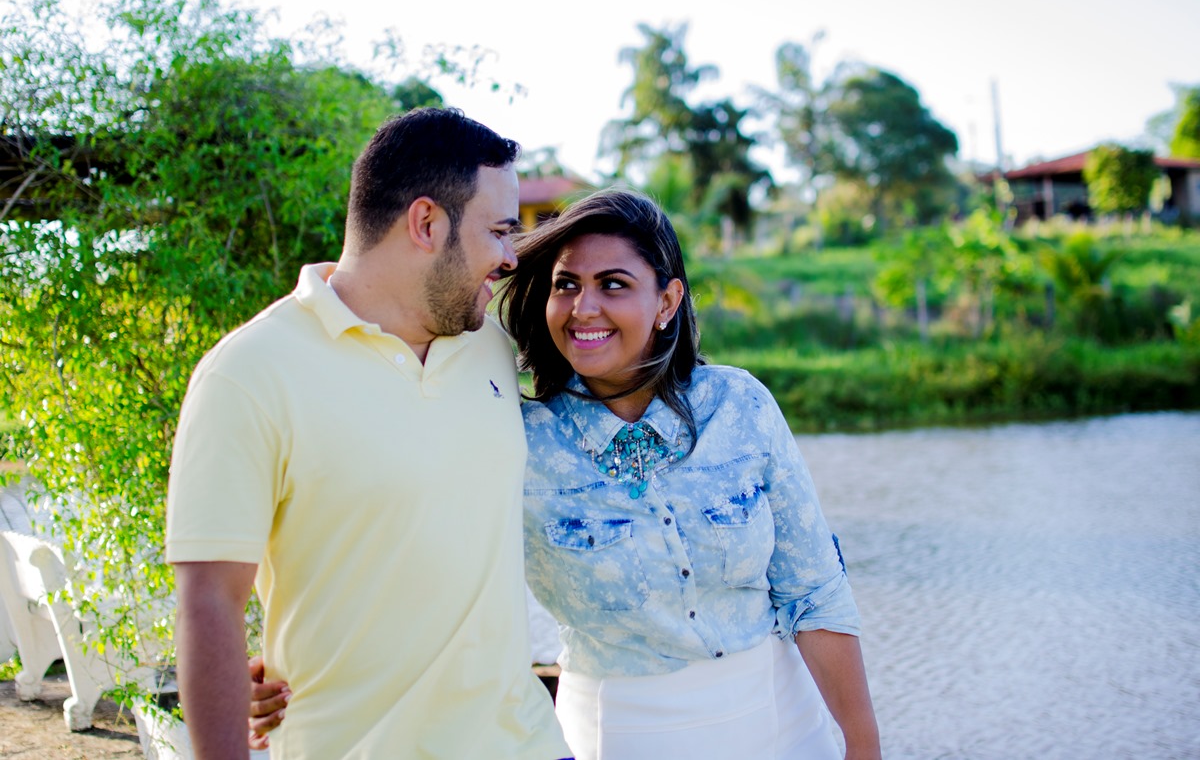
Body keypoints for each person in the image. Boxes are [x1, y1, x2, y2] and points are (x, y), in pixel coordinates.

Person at [253, 188, 881, 758]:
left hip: (786, 723)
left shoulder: (741, 407)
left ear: (666, 301)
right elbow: (411, 563)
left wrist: (861, 745)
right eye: (566, 285)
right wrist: (289, 665)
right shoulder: (516, 436)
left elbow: (814, 591)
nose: (584, 308)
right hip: (625, 734)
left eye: (613, 284)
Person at [165, 108, 571, 759]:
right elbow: (209, 600)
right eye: (498, 231)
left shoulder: (491, 345)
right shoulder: (247, 374)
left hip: (523, 743)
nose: (509, 256)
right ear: (426, 222)